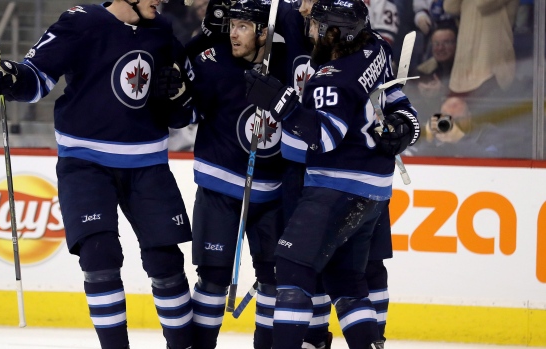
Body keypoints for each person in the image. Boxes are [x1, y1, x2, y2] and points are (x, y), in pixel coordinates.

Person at [0, 1, 196, 348]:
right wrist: (10, 77)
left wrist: (177, 96)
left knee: (166, 261)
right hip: (85, 163)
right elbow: (36, 78)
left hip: (147, 164)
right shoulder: (80, 23)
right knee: (99, 254)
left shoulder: (163, 32)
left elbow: (185, 111)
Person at [244, 0, 420, 348]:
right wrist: (407, 127)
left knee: (292, 269)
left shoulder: (331, 79)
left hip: (334, 189)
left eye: (316, 25)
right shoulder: (376, 50)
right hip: (373, 191)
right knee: (345, 280)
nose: (310, 29)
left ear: (333, 32)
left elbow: (323, 138)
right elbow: (399, 103)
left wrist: (281, 103)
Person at [186, 1, 288, 348]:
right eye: (232, 24)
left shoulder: (287, 64)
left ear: (264, 33)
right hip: (219, 190)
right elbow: (181, 107)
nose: (233, 32)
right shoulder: (212, 62)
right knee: (213, 277)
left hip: (272, 194)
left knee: (275, 278)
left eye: (243, 26)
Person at [443, 0, 519, 98]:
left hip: (490, 69)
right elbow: (450, 7)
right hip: (463, 70)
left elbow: (484, 4)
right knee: (452, 110)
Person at [411, 96, 503, 158]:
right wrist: (428, 139)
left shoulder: (486, 131)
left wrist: (460, 139)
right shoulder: (436, 133)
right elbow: (421, 165)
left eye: (457, 120)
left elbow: (493, 160)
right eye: (447, 119)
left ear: (469, 117)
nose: (452, 125)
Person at [411, 22, 457, 121]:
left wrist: (444, 92)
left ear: (457, 44)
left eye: (447, 42)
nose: (440, 48)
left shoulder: (466, 71)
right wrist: (423, 96)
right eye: (436, 44)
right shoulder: (422, 72)